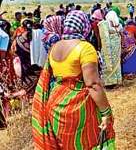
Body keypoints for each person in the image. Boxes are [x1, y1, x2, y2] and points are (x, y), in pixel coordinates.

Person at [32, 10, 115, 149]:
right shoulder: (85, 48)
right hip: (77, 106)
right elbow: (93, 84)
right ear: (84, 25)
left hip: (55, 104)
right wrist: (106, 112)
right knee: (87, 142)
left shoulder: (54, 47)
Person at [98, 10, 123, 87]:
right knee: (116, 62)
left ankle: (109, 82)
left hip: (109, 47)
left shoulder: (104, 24)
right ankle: (116, 80)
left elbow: (104, 37)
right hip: (117, 46)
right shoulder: (119, 25)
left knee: (108, 61)